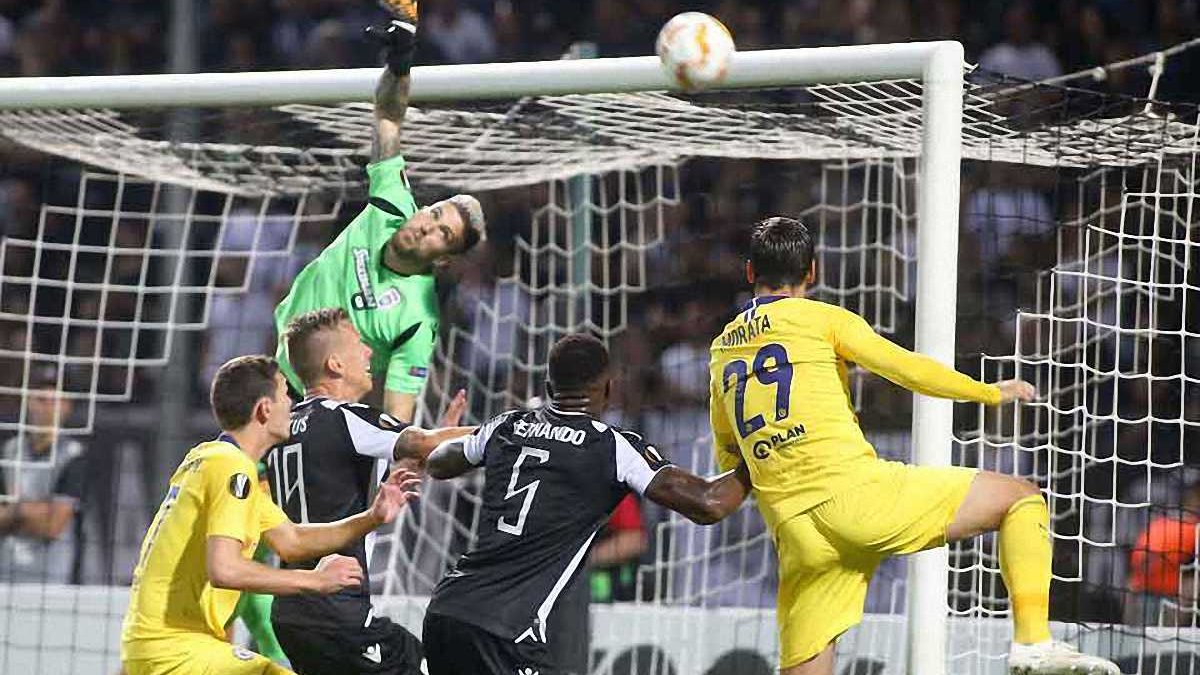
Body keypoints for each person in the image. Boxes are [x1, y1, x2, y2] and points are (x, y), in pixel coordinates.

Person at [708, 216, 1121, 675]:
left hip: (795, 532)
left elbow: (729, 453)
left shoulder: (721, 350)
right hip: (856, 497)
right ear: (812, 272)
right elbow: (905, 367)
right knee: (1020, 498)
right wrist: (987, 392)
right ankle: (1032, 643)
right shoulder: (823, 319)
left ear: (750, 272)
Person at [420, 334, 753, 675]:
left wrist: (458, 435)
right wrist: (762, 453)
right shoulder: (613, 447)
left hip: (447, 610)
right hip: (506, 630)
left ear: (549, 387)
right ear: (608, 389)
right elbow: (710, 503)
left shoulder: (505, 425)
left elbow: (437, 463)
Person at [120, 355, 421, 675]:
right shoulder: (230, 466)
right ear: (264, 409)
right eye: (285, 395)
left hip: (163, 646)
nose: (292, 403)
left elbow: (292, 540)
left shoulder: (213, 459)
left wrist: (373, 517)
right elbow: (224, 569)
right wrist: (314, 580)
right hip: (174, 650)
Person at [273, 0, 487, 423]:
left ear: (443, 259)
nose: (427, 227)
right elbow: (388, 117)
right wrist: (401, 63)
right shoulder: (392, 203)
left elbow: (396, 417)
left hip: (323, 420)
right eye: (435, 215)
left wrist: (419, 444)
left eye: (443, 235)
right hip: (275, 379)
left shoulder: (417, 320)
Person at [266, 307, 475, 675]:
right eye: (358, 344)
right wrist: (509, 428)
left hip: (292, 611)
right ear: (334, 364)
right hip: (336, 607)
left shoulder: (283, 430)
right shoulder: (346, 417)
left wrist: (434, 443)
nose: (369, 352)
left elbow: (385, 479)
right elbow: (421, 442)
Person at [0, 369, 87, 584]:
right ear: (28, 402)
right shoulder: (9, 450)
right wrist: (35, 512)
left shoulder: (74, 455)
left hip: (54, 579)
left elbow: (53, 524)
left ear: (67, 406)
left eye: (54, 401)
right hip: (6, 575)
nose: (47, 408)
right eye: (40, 399)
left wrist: (14, 512)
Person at [1126, 480, 1200, 626]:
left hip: (1143, 595)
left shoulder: (1159, 524)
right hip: (1158, 598)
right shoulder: (1190, 528)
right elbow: (1144, 563)